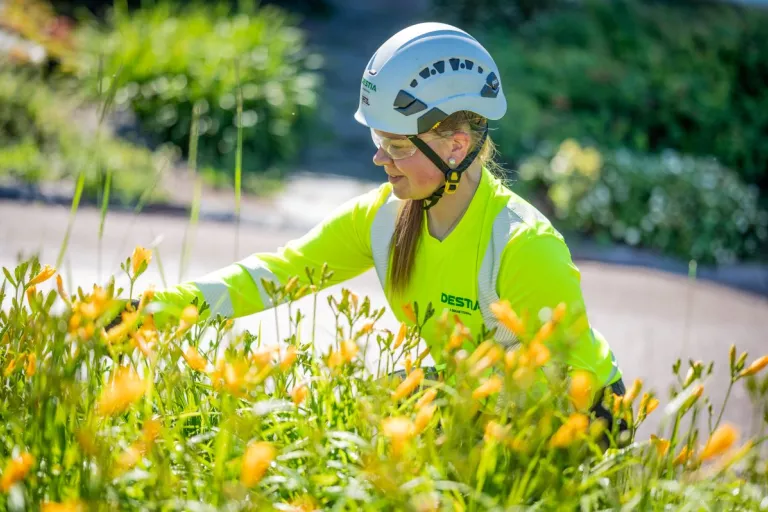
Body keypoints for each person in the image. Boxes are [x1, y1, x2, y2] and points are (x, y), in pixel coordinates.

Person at [145, 22, 625, 420]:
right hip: (472, 401)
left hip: (579, 415)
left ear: (457, 146)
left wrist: (426, 397)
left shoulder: (525, 245)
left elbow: (557, 386)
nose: (379, 159)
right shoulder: (380, 219)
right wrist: (150, 312)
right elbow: (278, 274)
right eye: (378, 141)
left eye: (397, 147)